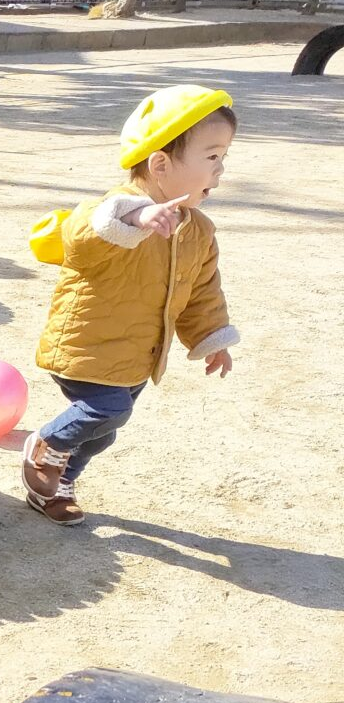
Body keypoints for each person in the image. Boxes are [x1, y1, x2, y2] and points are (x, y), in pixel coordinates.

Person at [22, 85, 239, 525]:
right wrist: (135, 217)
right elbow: (81, 236)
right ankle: (46, 445)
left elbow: (202, 292)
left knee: (104, 433)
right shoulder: (110, 212)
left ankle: (57, 486)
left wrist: (212, 338)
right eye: (212, 156)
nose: (221, 170)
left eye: (224, 157)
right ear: (160, 165)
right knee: (108, 410)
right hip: (86, 346)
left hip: (137, 355)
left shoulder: (198, 231)